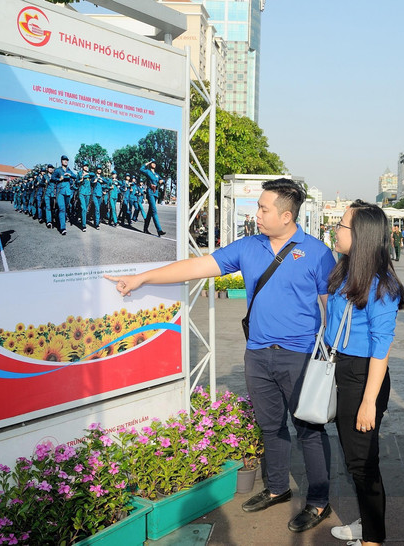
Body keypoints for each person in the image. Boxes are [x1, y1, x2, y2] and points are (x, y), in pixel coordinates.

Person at [104, 179, 336, 534]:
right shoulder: (248, 246)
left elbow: (330, 306)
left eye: (264, 209)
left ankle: (318, 502)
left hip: (300, 356)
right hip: (257, 354)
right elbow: (197, 267)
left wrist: (331, 359)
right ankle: (277, 488)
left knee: (309, 429)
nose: (257, 214)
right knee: (270, 426)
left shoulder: (318, 253)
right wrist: (142, 278)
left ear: (287, 216)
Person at [326, 201, 404, 546]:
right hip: (341, 367)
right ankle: (368, 524)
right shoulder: (345, 271)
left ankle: (372, 538)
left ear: (360, 236)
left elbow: (381, 348)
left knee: (362, 463)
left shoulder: (381, 285)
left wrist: (368, 402)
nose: (335, 230)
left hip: (362, 377)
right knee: (355, 458)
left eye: (341, 225)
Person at [139, 159, 166, 237]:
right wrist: (148, 163)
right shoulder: (148, 172)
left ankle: (145, 228)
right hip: (150, 192)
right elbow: (141, 169)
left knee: (150, 212)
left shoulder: (156, 174)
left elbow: (163, 180)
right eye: (152, 163)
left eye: (155, 163)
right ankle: (159, 230)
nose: (154, 164)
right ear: (150, 164)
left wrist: (162, 181)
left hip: (155, 193)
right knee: (154, 211)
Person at [52, 154, 75, 236]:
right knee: (62, 208)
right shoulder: (58, 170)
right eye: (64, 160)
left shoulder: (69, 170)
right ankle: (63, 228)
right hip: (60, 192)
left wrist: (70, 175)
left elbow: (75, 176)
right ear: (61, 161)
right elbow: (52, 178)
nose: (65, 161)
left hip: (68, 192)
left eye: (67, 160)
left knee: (64, 209)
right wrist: (59, 179)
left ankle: (58, 219)